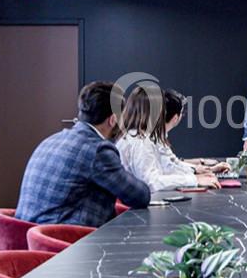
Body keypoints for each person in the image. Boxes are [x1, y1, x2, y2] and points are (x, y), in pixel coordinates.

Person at [16, 81, 151, 226]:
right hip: (66, 241)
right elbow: (139, 196)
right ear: (113, 120)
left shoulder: (50, 140)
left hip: (29, 238)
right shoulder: (97, 150)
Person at [118, 87, 221, 191]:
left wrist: (194, 175)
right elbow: (151, 182)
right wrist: (194, 180)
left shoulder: (134, 136)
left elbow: (163, 169)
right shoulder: (141, 141)